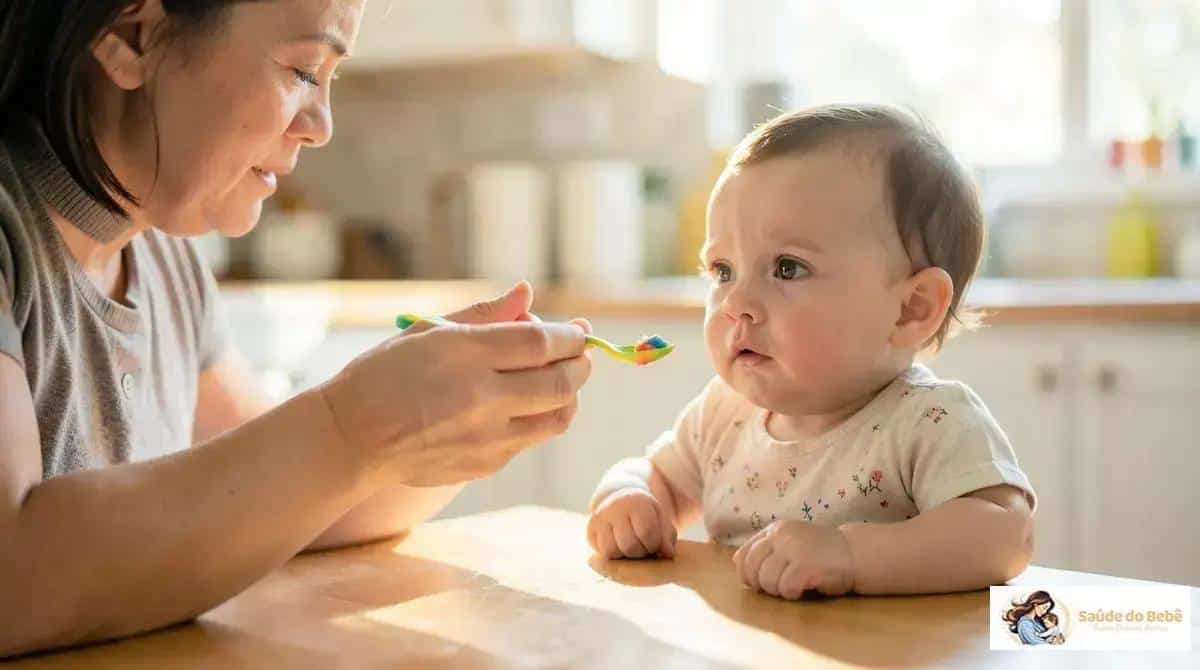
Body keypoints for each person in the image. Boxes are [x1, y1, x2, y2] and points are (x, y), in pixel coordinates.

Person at [0, 0, 592, 656]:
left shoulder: (167, 262)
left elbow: (289, 503)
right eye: (305, 70)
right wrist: (355, 427)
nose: (322, 126)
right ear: (133, 38)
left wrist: (454, 417)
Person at [587, 104, 1036, 599]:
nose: (736, 303)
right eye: (722, 270)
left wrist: (849, 556)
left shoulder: (929, 421)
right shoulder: (722, 416)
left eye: (787, 268)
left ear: (910, 309)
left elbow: (1005, 536)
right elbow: (655, 477)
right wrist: (628, 495)